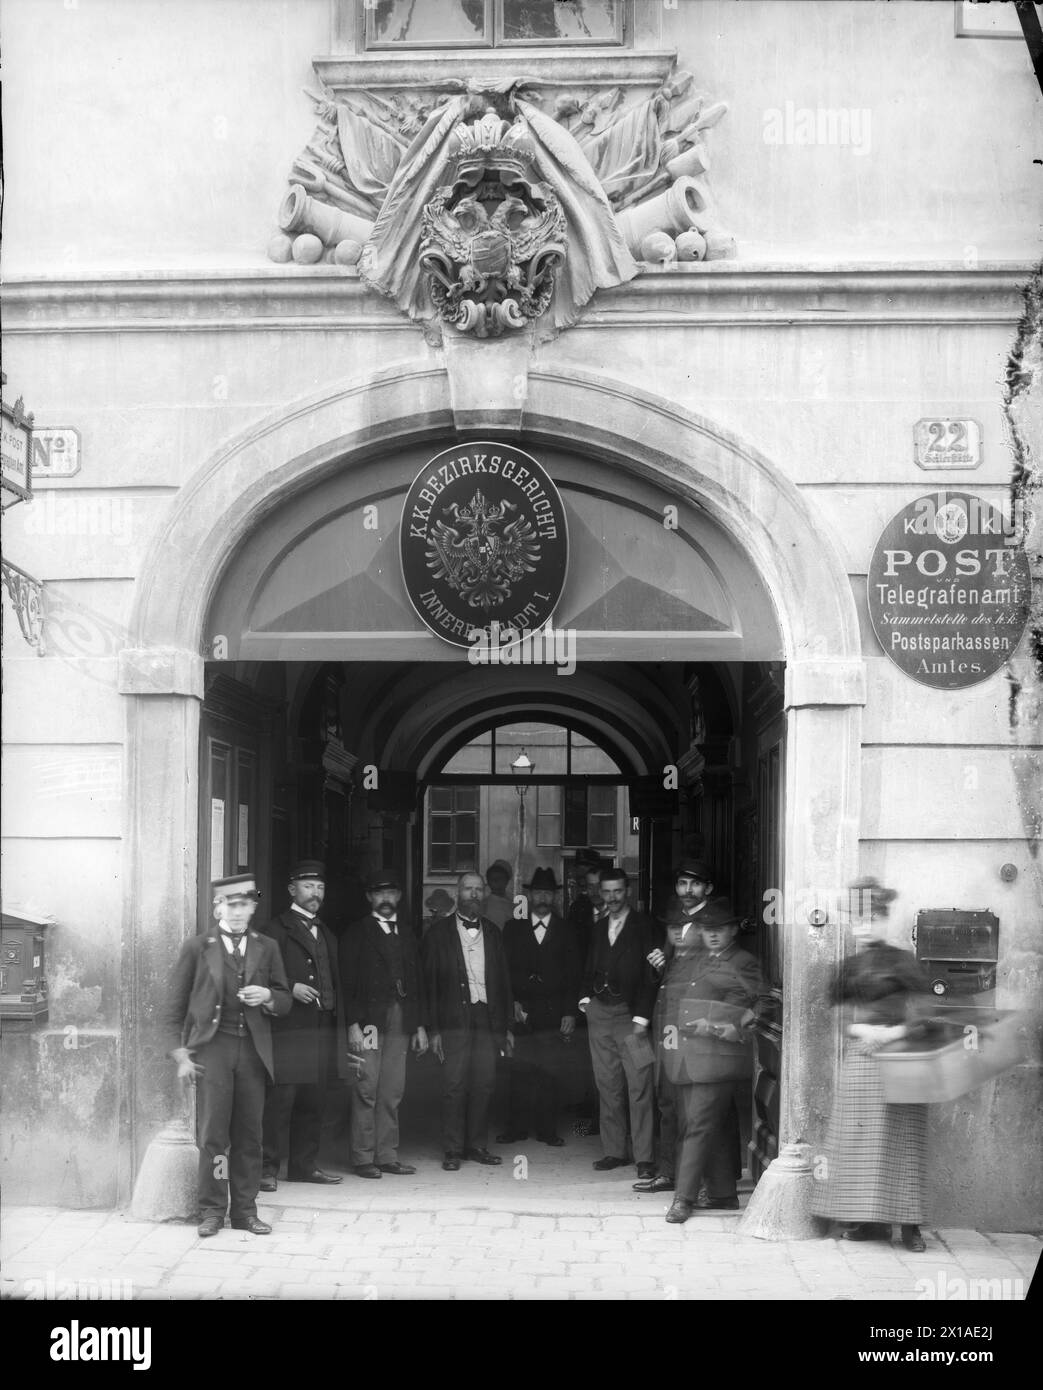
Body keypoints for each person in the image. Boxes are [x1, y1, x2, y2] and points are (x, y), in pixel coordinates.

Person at [163, 873, 292, 1237]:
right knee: (214, 1137)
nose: (238, 912)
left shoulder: (266, 946)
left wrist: (267, 996)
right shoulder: (197, 946)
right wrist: (182, 1056)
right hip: (213, 1052)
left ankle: (246, 1213)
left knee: (250, 1136)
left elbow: (284, 999)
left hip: (252, 1052)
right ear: (218, 906)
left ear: (253, 908)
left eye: (245, 905)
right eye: (231, 905)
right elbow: (173, 1009)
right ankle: (212, 1211)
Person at [811, 878, 931, 1252]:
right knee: (859, 1143)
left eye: (871, 919)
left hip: (902, 1059)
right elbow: (838, 1016)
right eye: (857, 920)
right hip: (862, 1062)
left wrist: (894, 1032)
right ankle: (869, 1223)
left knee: (902, 1143)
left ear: (884, 920)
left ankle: (910, 1226)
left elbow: (925, 1014)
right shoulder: (847, 967)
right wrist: (860, 1027)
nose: (863, 927)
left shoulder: (903, 961)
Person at [659, 906, 772, 1224]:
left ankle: (684, 1199)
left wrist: (725, 1023)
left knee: (696, 1126)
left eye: (720, 928)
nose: (712, 933)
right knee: (711, 1125)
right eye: (707, 929)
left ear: (733, 930)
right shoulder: (695, 958)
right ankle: (723, 1194)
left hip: (718, 1056)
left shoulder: (743, 962)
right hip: (688, 1055)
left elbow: (761, 1003)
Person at [636, 856, 731, 1196]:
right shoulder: (675, 921)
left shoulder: (715, 922)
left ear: (708, 888)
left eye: (694, 884)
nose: (687, 890)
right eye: (682, 883)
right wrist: (658, 965)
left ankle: (707, 1183)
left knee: (697, 1105)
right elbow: (665, 976)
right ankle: (668, 1171)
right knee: (668, 1100)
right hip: (668, 1023)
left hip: (696, 1024)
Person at [258, 860, 345, 1190]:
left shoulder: (327, 933)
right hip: (291, 1028)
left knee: (314, 1100)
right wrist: (291, 986)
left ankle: (303, 1166)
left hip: (321, 1026)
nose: (316, 893)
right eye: (309, 887)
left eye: (320, 888)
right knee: (281, 1102)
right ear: (292, 890)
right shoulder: (274, 930)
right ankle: (267, 1169)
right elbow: (259, 972)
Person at [339, 871, 428, 1179]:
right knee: (367, 1086)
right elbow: (347, 982)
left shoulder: (407, 933)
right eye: (380, 894)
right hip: (370, 1021)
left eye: (391, 893)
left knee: (392, 1089)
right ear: (370, 898)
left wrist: (419, 1026)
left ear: (399, 897)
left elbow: (416, 983)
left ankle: (387, 1154)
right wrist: (352, 1024)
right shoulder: (356, 933)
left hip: (400, 1018)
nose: (386, 899)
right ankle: (363, 1157)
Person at [422, 871, 513, 1171]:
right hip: (452, 1019)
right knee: (453, 1084)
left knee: (484, 1083)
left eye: (478, 890)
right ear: (458, 893)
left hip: (486, 1018)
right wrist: (433, 1029)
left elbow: (503, 983)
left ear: (483, 894)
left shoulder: (495, 932)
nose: (473, 894)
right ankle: (452, 1149)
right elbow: (430, 985)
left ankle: (477, 1145)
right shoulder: (437, 934)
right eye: (467, 889)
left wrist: (506, 1026)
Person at [579, 866, 661, 1176]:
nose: (612, 897)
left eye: (617, 891)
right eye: (606, 891)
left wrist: (642, 1017)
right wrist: (585, 1001)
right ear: (600, 893)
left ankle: (644, 1158)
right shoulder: (599, 928)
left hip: (632, 1017)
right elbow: (588, 966)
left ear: (627, 892)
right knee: (607, 1084)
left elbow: (653, 976)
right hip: (600, 1014)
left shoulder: (645, 926)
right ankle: (614, 1151)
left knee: (640, 1086)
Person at [499, 867, 580, 1146]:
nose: (543, 897)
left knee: (549, 1072)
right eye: (538, 892)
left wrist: (570, 1011)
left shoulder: (568, 931)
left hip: (553, 1013)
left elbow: (574, 975)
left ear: (555, 897)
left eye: (548, 892)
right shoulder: (513, 928)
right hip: (521, 1014)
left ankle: (547, 1130)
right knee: (518, 1072)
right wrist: (511, 1002)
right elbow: (503, 971)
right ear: (530, 896)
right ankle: (516, 1128)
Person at [483, 859, 514, 931]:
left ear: (507, 880)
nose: (496, 882)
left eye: (500, 878)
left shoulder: (514, 903)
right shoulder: (484, 905)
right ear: (488, 881)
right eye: (493, 879)